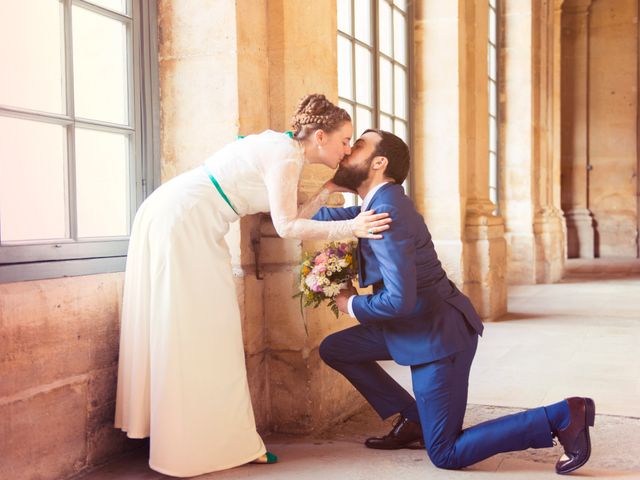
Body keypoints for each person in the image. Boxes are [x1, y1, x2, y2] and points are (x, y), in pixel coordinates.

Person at [114, 94, 392, 478]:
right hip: (183, 219)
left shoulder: (285, 150)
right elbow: (287, 229)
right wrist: (352, 227)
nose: (347, 150)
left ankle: (208, 437)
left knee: (204, 328)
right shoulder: (285, 155)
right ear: (321, 136)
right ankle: (192, 444)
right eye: (345, 140)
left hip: (185, 216)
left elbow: (290, 216)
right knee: (199, 328)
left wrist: (328, 190)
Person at [313, 129, 595, 475]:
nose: (346, 152)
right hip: (411, 325)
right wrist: (326, 188)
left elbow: (399, 301)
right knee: (335, 349)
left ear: (378, 162)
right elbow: (314, 219)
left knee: (446, 453)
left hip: (438, 337)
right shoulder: (376, 205)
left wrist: (349, 305)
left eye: (357, 146)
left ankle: (564, 414)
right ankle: (416, 420)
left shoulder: (388, 213)